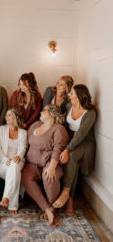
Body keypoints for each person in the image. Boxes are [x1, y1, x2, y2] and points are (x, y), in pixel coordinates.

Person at [21, 104, 69, 225]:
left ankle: (53, 207)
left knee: (48, 175)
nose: (41, 112)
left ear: (52, 114)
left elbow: (58, 149)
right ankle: (47, 208)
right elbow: (26, 144)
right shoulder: (35, 126)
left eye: (45, 110)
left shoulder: (58, 129)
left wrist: (52, 166)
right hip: (32, 164)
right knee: (25, 176)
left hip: (49, 163)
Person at [53, 84, 96, 216]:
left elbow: (81, 134)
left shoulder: (90, 113)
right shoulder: (68, 106)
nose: (69, 95)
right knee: (71, 162)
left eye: (71, 93)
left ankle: (66, 192)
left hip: (85, 143)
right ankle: (70, 204)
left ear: (79, 96)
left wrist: (66, 149)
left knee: (70, 157)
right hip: (70, 141)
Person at [0, 108, 27, 213]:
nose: (7, 117)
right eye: (6, 115)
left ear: (16, 117)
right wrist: (5, 159)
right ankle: (12, 205)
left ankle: (6, 197)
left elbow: (22, 148)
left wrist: (18, 156)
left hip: (17, 160)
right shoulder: (1, 130)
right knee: (15, 171)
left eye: (9, 115)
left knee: (15, 165)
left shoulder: (23, 132)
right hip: (2, 162)